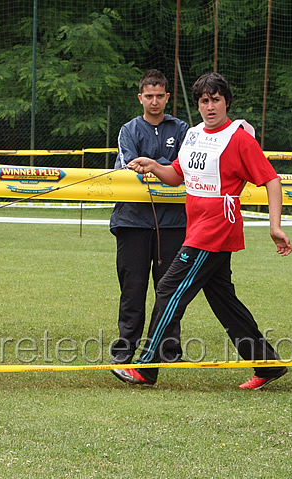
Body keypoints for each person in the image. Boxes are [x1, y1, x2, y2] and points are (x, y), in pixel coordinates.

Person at [114, 72, 292, 390]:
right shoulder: (194, 135)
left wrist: (275, 226)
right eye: (204, 101)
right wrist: (154, 166)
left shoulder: (239, 138)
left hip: (215, 230)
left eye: (216, 100)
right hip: (196, 228)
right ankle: (268, 365)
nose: (210, 107)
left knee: (168, 289)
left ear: (226, 102)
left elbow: (272, 179)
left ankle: (145, 367)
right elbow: (177, 175)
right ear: (197, 104)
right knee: (225, 301)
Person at [109, 70, 190, 365]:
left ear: (167, 97)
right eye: (149, 96)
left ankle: (168, 351)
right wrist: (161, 167)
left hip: (175, 223)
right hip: (131, 222)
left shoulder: (183, 129)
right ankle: (124, 352)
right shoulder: (127, 130)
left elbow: (185, 166)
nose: (154, 101)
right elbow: (129, 165)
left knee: (168, 289)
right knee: (132, 289)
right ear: (140, 97)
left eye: (160, 96)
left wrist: (153, 164)